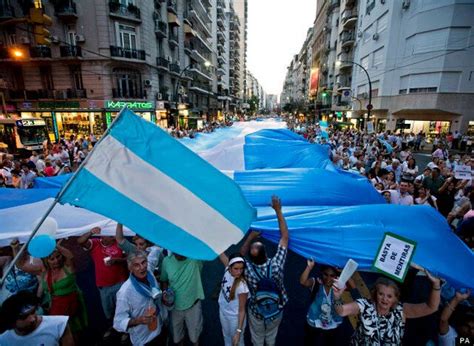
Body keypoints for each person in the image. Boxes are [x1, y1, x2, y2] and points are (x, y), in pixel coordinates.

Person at [332, 267, 441, 345]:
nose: (384, 299)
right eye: (381, 294)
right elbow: (341, 311)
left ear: (395, 298)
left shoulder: (401, 310)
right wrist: (337, 297)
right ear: (375, 294)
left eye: (389, 296)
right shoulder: (365, 305)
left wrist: (436, 285)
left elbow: (432, 307)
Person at [239, 195, 289, 346]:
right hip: (276, 309)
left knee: (257, 337)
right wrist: (278, 211)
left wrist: (250, 237)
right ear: (266, 254)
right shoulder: (276, 265)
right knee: (271, 335)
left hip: (256, 310)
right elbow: (285, 237)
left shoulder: (247, 270)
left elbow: (240, 255)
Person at [77, 227, 128, 336]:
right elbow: (80, 241)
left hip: (120, 283)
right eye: (109, 235)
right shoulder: (95, 244)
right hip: (104, 286)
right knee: (108, 311)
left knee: (123, 309)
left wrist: (116, 260)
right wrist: (91, 232)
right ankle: (112, 328)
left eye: (113, 234)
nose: (113, 237)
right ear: (102, 236)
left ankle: (125, 331)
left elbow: (130, 259)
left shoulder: (119, 243)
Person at [114, 250, 167, 345]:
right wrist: (138, 320)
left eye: (143, 262)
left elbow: (155, 252)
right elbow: (118, 322)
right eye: (136, 265)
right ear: (130, 268)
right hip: (144, 339)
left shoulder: (149, 272)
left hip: (160, 328)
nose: (142, 267)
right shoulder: (125, 292)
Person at [38, 240, 88, 338]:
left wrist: (56, 246)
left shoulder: (68, 267)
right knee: (60, 333)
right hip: (55, 309)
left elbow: (70, 256)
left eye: (58, 256)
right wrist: (15, 248)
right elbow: (21, 265)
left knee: (74, 332)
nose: (56, 260)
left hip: (72, 306)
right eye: (52, 259)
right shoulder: (43, 272)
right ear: (46, 261)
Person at [299, 260, 349, 345]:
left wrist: (344, 272)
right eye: (325, 274)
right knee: (310, 341)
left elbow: (353, 286)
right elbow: (303, 282)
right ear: (321, 273)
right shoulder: (316, 283)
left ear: (336, 276)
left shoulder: (339, 285)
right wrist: (309, 267)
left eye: (332, 275)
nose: (328, 278)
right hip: (314, 320)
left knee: (329, 342)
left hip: (333, 321)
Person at [160, 252, 204, 346]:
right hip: (175, 307)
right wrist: (165, 293)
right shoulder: (166, 261)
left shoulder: (195, 260)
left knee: (194, 338)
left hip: (193, 306)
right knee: (177, 339)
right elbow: (164, 280)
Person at [0, 290, 74, 345]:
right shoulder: (3, 341)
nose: (32, 319)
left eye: (33, 312)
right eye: (24, 317)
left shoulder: (58, 324)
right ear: (11, 320)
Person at [218, 252, 249, 346]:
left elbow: (242, 310)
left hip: (234, 319)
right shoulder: (227, 270)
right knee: (226, 338)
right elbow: (220, 253)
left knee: (238, 342)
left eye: (241, 269)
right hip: (223, 312)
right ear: (230, 267)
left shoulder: (242, 287)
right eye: (236, 269)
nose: (239, 272)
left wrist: (238, 332)